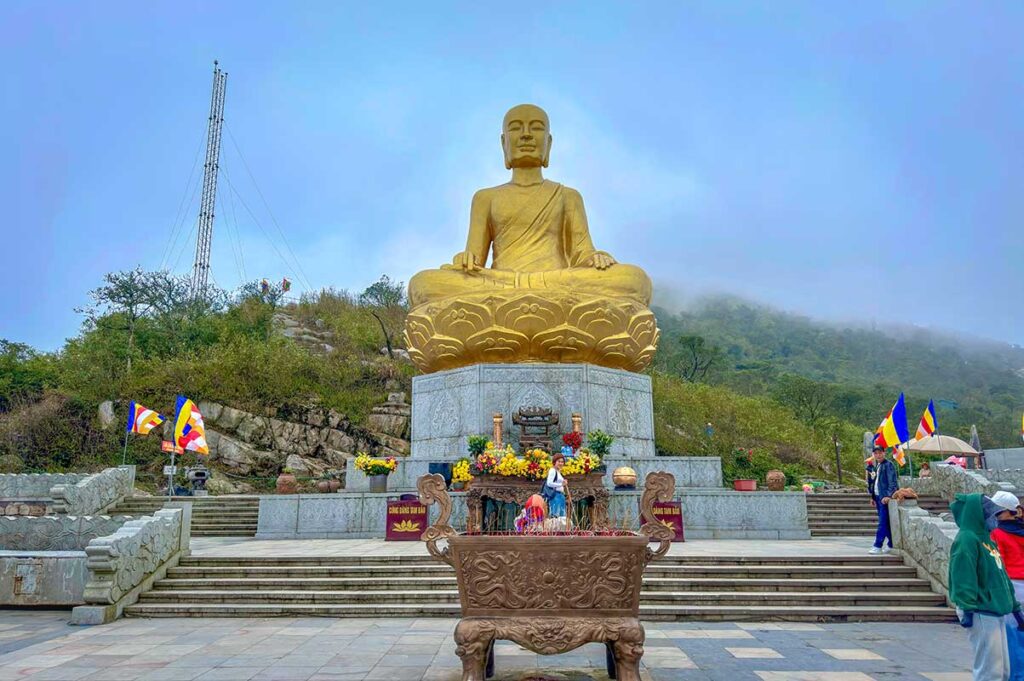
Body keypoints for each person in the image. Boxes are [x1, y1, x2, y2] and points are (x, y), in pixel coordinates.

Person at [950, 493, 1024, 680]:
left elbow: (1001, 573)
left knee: (1002, 669)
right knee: (990, 669)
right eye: (991, 514)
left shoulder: (986, 538)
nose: (994, 519)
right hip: (981, 609)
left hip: (996, 607)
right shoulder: (967, 539)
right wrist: (967, 606)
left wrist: (1014, 606)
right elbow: (962, 575)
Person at [990, 492, 1024, 680]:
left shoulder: (997, 533)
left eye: (996, 512)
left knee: (1014, 637)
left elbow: (998, 564)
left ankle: (1017, 676)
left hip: (1012, 587)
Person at [868, 445, 898, 554]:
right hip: (878, 497)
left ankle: (878, 545)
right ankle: (891, 544)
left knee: (882, 522)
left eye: (880, 453)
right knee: (885, 523)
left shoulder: (888, 465)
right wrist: (872, 497)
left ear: (884, 453)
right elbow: (874, 483)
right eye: (876, 453)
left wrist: (888, 495)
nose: (878, 455)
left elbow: (893, 482)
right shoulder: (877, 466)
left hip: (884, 498)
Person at [544, 454, 568, 519]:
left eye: (562, 462)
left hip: (560, 495)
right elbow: (549, 483)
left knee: (561, 516)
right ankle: (555, 529)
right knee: (555, 515)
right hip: (555, 496)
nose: (561, 463)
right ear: (554, 462)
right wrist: (561, 484)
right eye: (559, 461)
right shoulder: (552, 471)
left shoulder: (558, 471)